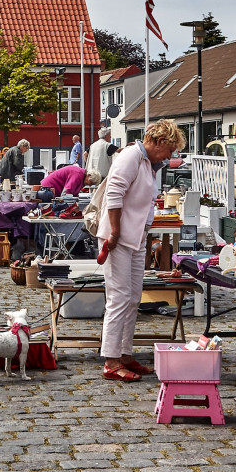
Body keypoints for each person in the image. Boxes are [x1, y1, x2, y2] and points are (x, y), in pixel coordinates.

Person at [96, 118, 186, 382]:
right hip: (119, 237)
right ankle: (111, 360)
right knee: (119, 297)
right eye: (169, 150)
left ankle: (124, 353)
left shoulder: (150, 164)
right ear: (158, 142)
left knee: (134, 296)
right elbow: (113, 195)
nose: (171, 156)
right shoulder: (131, 157)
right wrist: (114, 232)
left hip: (135, 238)